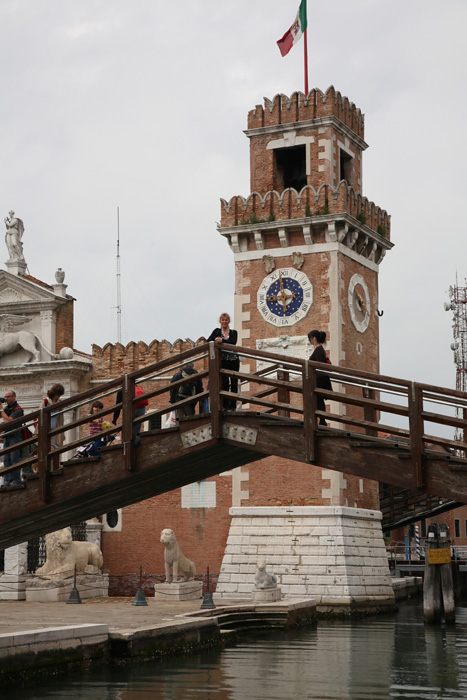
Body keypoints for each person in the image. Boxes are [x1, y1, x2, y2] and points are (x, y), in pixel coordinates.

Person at [207, 313, 239, 410]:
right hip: (223, 360)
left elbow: (233, 342)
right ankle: (225, 405)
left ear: (229, 321)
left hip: (234, 360)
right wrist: (215, 340)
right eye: (223, 320)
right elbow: (208, 340)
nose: (224, 322)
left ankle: (233, 406)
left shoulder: (234, 332)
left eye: (226, 320)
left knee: (234, 382)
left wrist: (222, 341)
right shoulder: (217, 331)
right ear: (220, 321)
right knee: (224, 382)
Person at [308, 330, 333, 426]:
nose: (309, 341)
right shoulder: (320, 349)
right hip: (321, 377)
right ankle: (322, 420)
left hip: (320, 378)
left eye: (310, 339)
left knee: (318, 399)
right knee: (318, 399)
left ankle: (322, 420)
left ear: (314, 338)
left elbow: (319, 364)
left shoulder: (318, 349)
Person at [1, 390, 24, 485]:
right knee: (6, 459)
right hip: (8, 436)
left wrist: (1, 409)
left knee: (14, 458)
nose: (6, 399)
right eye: (5, 397)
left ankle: (16, 480)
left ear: (14, 398)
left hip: (15, 436)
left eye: (8, 397)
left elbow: (8, 421)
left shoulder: (18, 410)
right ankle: (8, 480)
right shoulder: (8, 408)